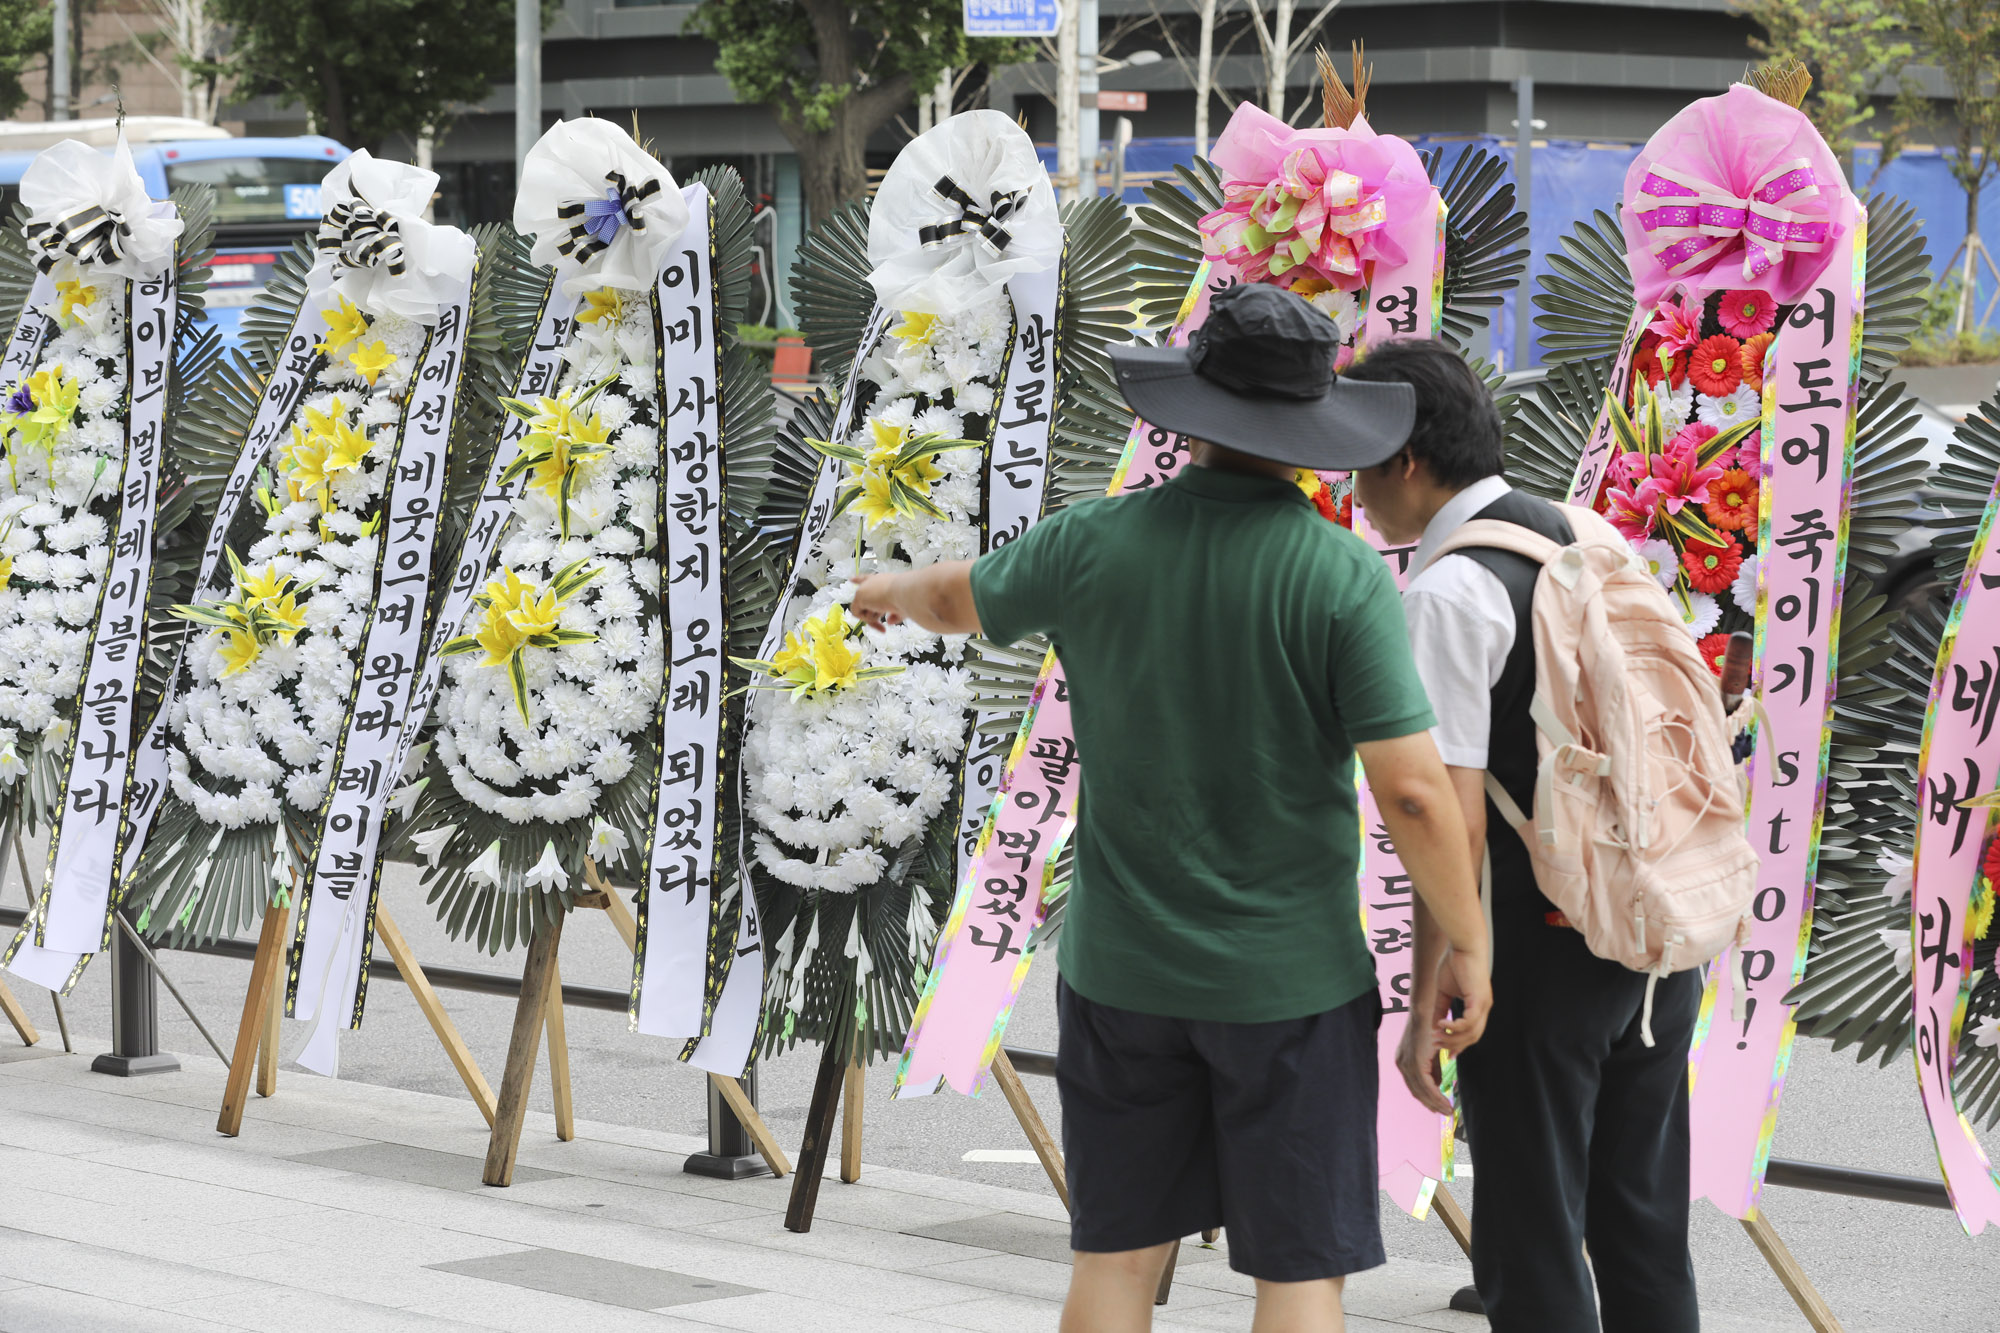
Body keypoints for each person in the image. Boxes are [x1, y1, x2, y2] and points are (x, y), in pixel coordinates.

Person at [850, 284, 1493, 1333]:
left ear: (1191, 410)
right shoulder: (1336, 575)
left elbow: (955, 599)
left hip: (1122, 974)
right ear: (1306, 432)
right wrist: (1464, 943)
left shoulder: (1089, 544)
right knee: (1294, 1274)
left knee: (1114, 1258)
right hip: (1288, 984)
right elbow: (1415, 792)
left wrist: (886, 589)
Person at [1344, 340, 1703, 1333]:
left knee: (1529, 1240)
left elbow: (1439, 813)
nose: (1351, 490)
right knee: (1638, 1222)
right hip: (1648, 927)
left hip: (1531, 949)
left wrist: (1441, 980)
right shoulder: (1584, 535)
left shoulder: (1448, 593)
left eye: (1357, 462)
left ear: (1405, 462)